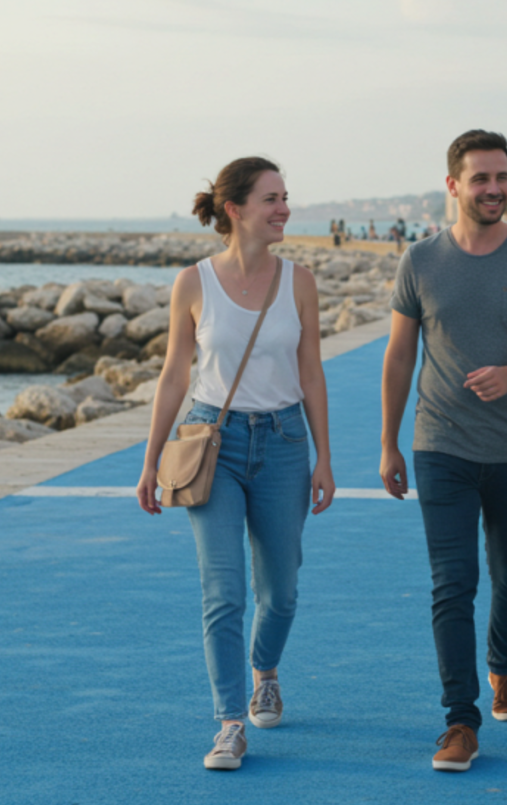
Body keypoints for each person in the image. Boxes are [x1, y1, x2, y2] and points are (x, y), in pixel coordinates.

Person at [380, 129, 507, 773]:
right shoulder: (420, 262)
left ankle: (505, 668)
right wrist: (388, 442)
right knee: (452, 583)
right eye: (481, 178)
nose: (494, 189)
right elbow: (401, 355)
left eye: (502, 177)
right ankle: (460, 720)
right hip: (441, 444)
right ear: (453, 185)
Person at [136, 157, 335, 772]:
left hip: (282, 442)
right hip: (211, 443)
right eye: (272, 198)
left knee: (280, 592)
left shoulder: (299, 281)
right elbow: (174, 374)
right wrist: (151, 461)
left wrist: (325, 457)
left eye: (284, 197)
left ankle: (265, 671)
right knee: (222, 591)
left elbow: (310, 372)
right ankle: (228, 723)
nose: (284, 209)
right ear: (236, 209)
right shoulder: (193, 282)